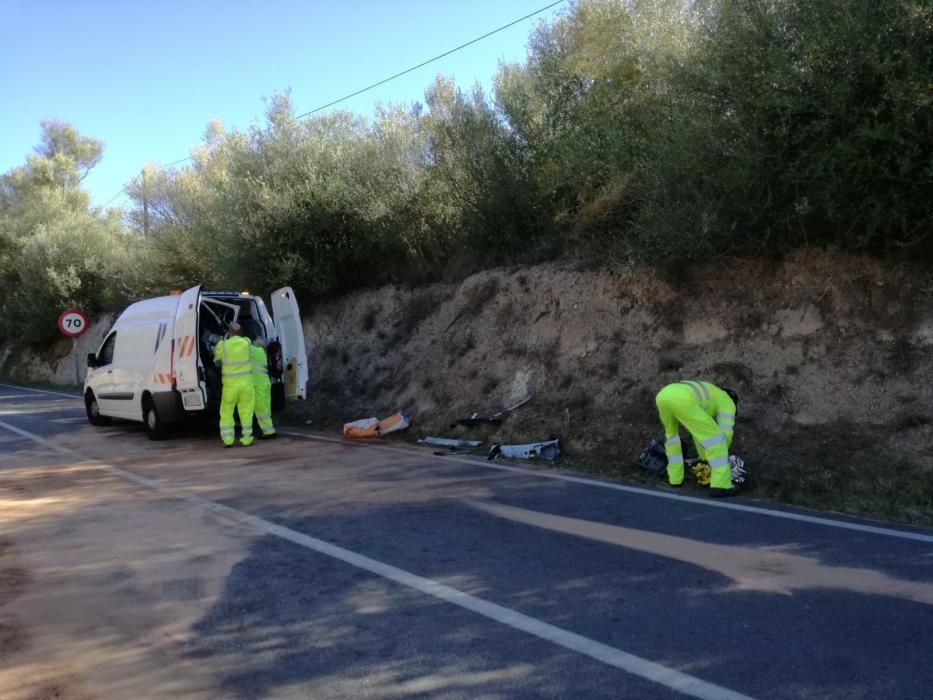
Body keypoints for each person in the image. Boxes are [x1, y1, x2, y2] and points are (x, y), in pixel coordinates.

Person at [655, 380, 739, 497]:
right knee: (718, 440)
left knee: (672, 438)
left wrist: (705, 458)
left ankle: (675, 480)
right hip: (683, 399)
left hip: (663, 395)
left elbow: (700, 435)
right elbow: (726, 432)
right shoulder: (727, 400)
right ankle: (721, 486)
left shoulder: (710, 396)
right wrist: (723, 453)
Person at [213, 322, 255, 447]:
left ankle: (228, 440)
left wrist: (219, 342)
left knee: (227, 413)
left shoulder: (223, 345)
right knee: (246, 412)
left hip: (230, 387)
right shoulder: (247, 342)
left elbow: (216, 361)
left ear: (229, 333)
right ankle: (247, 439)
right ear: (241, 332)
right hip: (246, 385)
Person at [251, 337, 276, 439]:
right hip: (265, 383)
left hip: (258, 384)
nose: (253, 342)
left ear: (257, 344)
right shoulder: (263, 353)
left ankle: (268, 432)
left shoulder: (256, 351)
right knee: (266, 408)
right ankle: (269, 429)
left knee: (260, 408)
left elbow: (243, 346)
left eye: (254, 341)